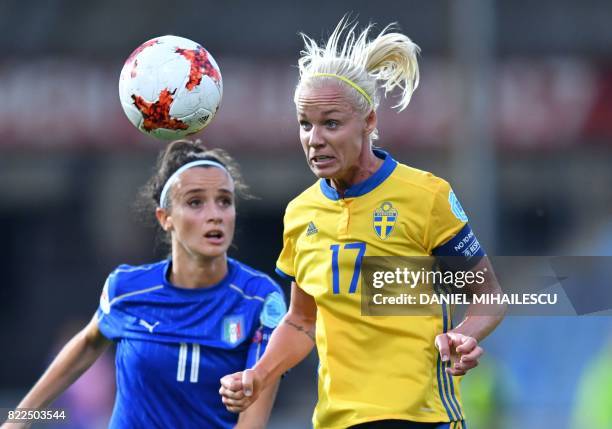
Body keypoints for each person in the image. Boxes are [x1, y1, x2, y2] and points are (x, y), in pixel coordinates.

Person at [219, 18, 505, 429]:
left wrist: (465, 334)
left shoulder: (426, 196)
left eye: (331, 123)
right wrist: (258, 375)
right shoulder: (301, 214)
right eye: (305, 124)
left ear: (369, 122)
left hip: (422, 418)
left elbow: (489, 296)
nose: (315, 138)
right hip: (338, 421)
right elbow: (302, 320)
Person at [2, 140, 285, 429]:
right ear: (165, 218)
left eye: (224, 201)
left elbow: (252, 420)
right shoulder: (127, 289)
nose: (215, 214)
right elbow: (89, 343)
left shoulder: (260, 299)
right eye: (195, 202)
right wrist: (19, 420)